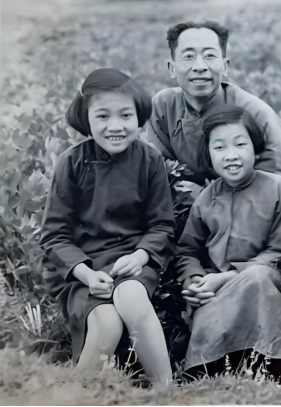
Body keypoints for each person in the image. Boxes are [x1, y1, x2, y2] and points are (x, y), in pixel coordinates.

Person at [40, 69, 174, 385]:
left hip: (132, 261)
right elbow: (55, 235)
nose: (115, 126)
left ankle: (165, 390)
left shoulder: (150, 160)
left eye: (126, 115)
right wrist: (86, 274)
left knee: (131, 297)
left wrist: (141, 256)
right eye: (103, 116)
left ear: (139, 117)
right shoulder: (71, 163)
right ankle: (75, 395)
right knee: (108, 322)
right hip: (83, 269)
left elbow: (161, 224)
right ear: (86, 119)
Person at [175, 105, 281, 371]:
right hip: (217, 288)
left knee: (257, 277)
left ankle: (269, 365)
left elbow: (280, 252)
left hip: (267, 282)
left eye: (240, 144)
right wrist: (194, 280)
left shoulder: (279, 188)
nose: (231, 155)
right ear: (208, 153)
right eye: (219, 147)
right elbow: (187, 251)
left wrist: (229, 277)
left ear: (255, 147)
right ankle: (213, 368)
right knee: (208, 332)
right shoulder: (205, 199)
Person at [146, 21, 281, 223]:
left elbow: (276, 189)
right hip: (182, 214)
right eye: (188, 56)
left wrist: (207, 198)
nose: (200, 67)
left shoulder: (256, 113)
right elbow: (157, 172)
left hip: (247, 220)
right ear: (172, 68)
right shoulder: (164, 106)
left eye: (210, 56)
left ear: (225, 66)